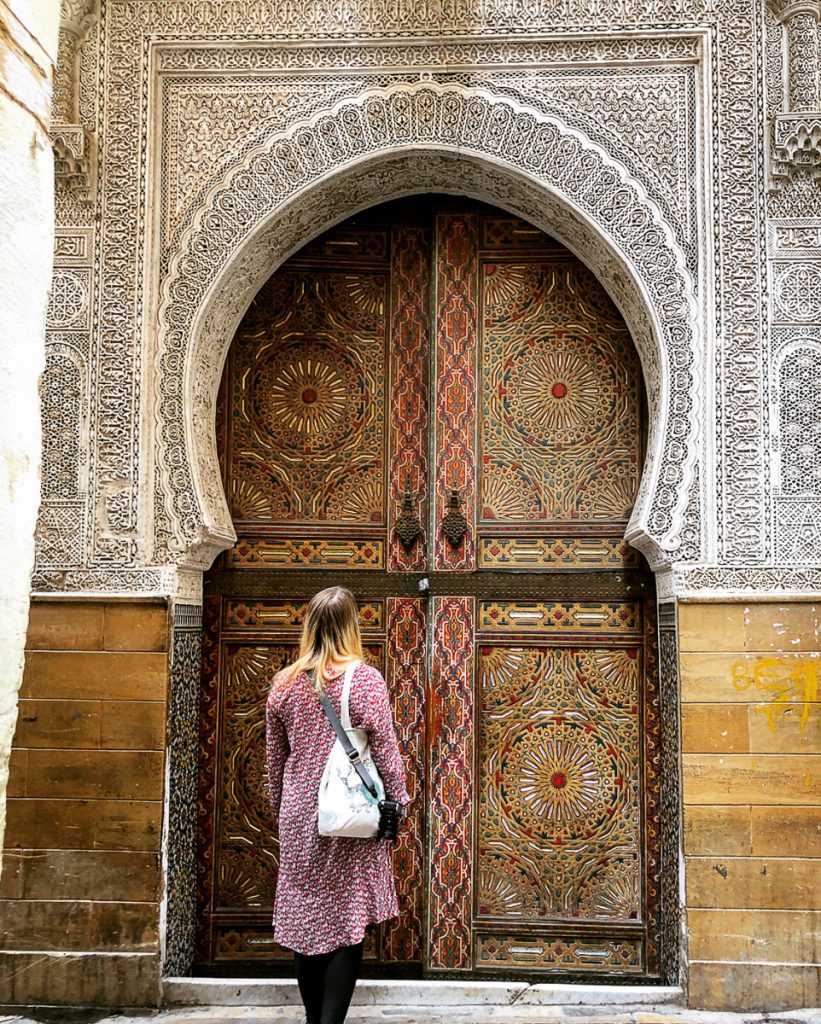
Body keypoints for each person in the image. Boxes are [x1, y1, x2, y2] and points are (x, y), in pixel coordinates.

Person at [265, 585, 410, 1024]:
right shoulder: (364, 679)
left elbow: (276, 761)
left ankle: (314, 1021)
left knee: (307, 920)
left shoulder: (285, 683)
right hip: (348, 815)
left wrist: (284, 811)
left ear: (310, 625)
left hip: (300, 814)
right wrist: (397, 803)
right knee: (348, 918)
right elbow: (385, 751)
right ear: (351, 627)